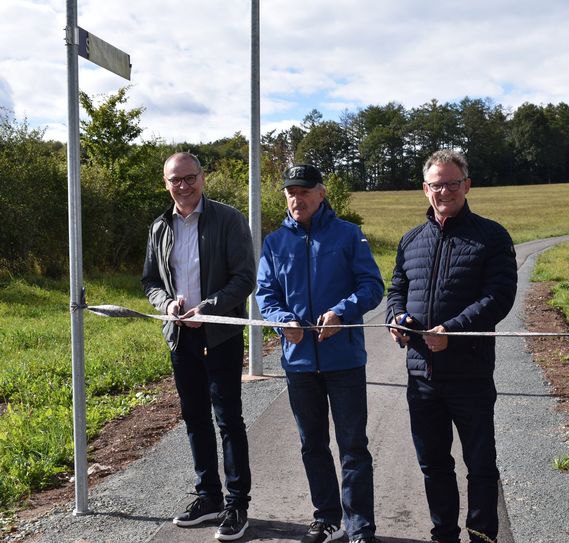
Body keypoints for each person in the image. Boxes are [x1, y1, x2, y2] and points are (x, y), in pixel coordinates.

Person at [386, 150, 518, 543]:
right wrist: (396, 318)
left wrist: (454, 330)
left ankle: (482, 535)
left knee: (479, 464)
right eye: (436, 184)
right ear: (425, 189)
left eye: (452, 183)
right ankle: (443, 533)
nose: (444, 191)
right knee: (433, 464)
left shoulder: (491, 236)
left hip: (470, 374)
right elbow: (396, 291)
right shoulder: (411, 240)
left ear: (467, 185)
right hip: (421, 375)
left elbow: (499, 296)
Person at [256, 164, 384, 543]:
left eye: (305, 190)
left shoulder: (348, 235)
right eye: (290, 192)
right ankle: (325, 517)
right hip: (298, 363)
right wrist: (283, 321)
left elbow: (371, 286)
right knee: (312, 443)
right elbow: (266, 294)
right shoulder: (275, 242)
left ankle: (360, 527)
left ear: (322, 192)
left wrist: (341, 312)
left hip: (344, 361)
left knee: (353, 447)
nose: (297, 198)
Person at [142, 152, 255, 541]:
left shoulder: (229, 219)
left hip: (219, 334)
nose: (184, 186)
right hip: (180, 337)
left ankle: (236, 503)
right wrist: (166, 303)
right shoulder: (160, 226)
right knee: (194, 417)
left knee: (228, 419)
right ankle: (208, 497)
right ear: (166, 183)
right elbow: (151, 282)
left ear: (202, 178)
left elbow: (244, 278)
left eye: (190, 178)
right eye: (176, 180)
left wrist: (208, 308)